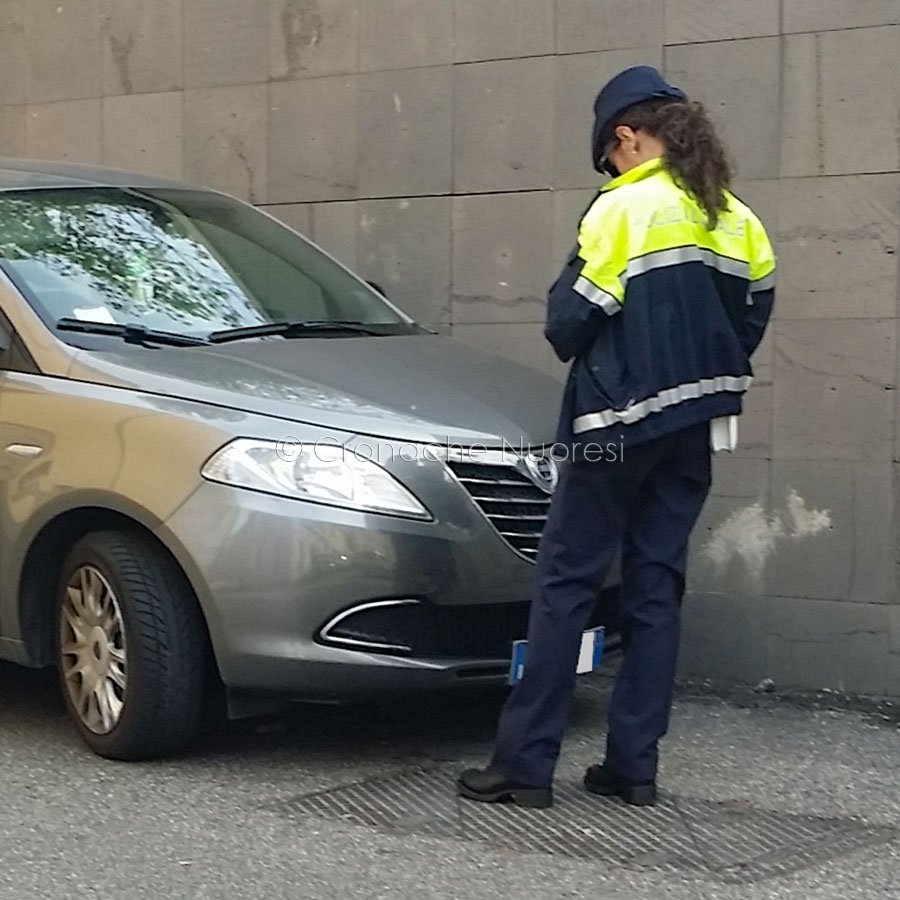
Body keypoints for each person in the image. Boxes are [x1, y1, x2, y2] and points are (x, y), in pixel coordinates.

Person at [457, 65, 776, 809]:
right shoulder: (736, 215)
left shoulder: (623, 208)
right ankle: (634, 769)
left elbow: (570, 323)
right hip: (694, 427)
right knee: (656, 589)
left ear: (626, 137)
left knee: (566, 586)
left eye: (611, 154)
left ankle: (524, 767)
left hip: (613, 429)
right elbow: (753, 316)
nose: (611, 166)